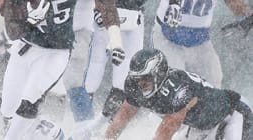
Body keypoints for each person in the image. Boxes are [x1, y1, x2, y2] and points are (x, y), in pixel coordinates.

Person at [0, 0, 124, 140]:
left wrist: (116, 39)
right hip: (25, 47)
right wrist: (29, 20)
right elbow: (12, 32)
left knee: (30, 99)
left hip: (57, 51)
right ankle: (51, 132)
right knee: (8, 110)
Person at [47, 0, 122, 136]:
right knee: (41, 84)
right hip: (44, 32)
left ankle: (85, 133)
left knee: (73, 82)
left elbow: (107, 0)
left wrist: (115, 40)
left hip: (77, 31)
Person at [104, 48, 253, 140]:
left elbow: (165, 132)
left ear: (160, 73)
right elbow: (121, 119)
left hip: (234, 113)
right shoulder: (133, 85)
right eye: (137, 78)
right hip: (200, 126)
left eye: (145, 78)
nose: (140, 84)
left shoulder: (179, 90)